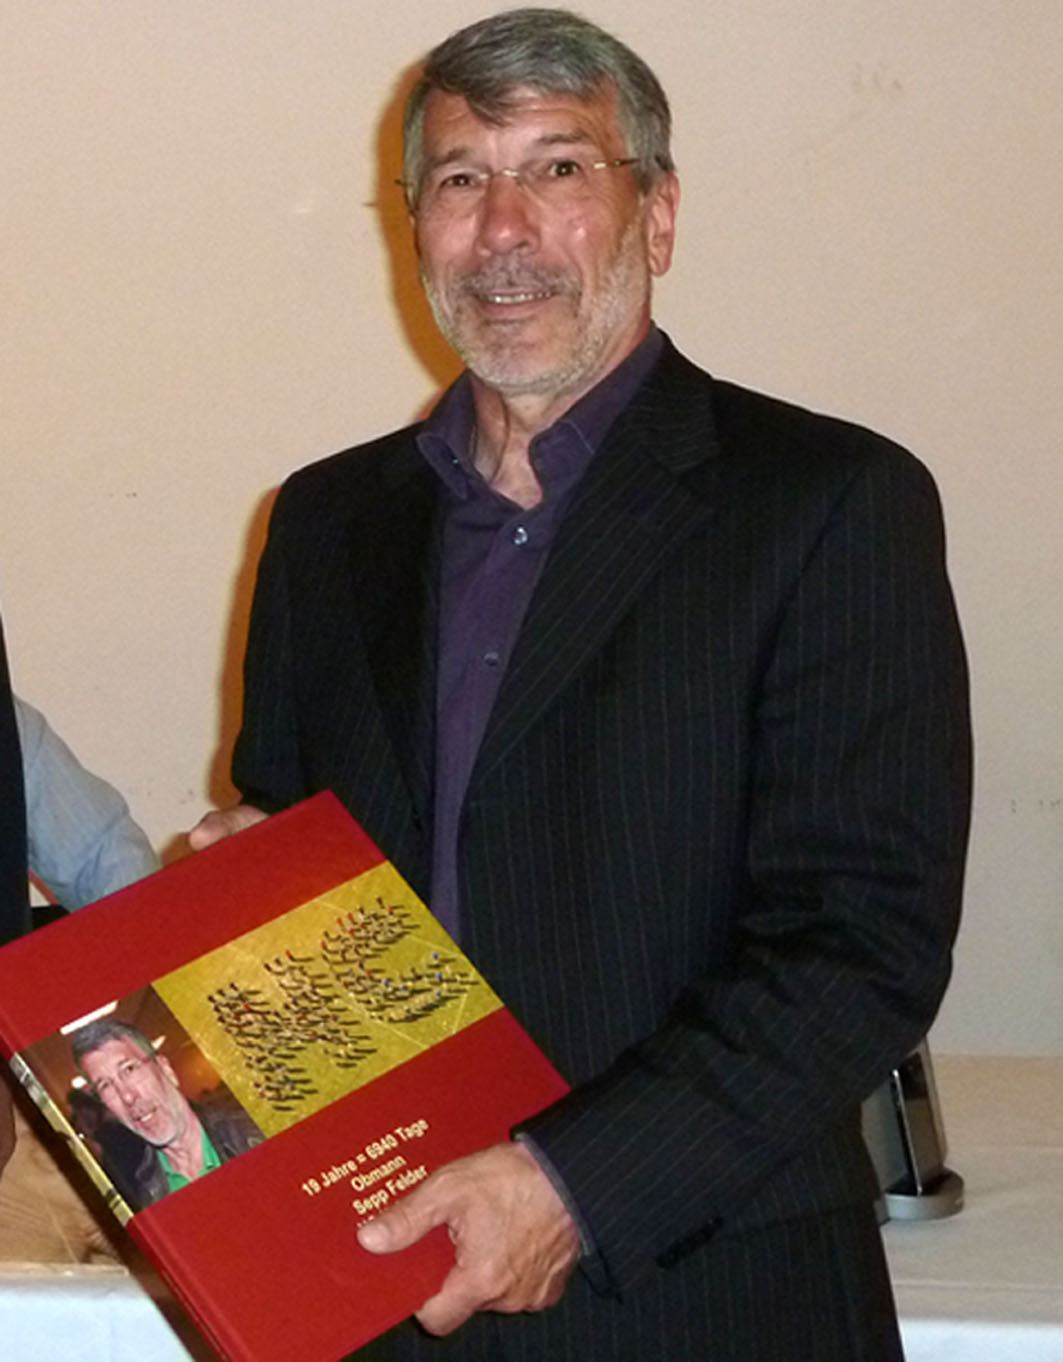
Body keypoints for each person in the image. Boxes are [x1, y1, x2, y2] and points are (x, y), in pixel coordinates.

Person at [192, 9, 972, 1358]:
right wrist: (245, 903)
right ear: (415, 232)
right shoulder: (321, 522)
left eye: (558, 168)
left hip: (701, 1293)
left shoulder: (829, 503)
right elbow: (298, 862)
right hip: (383, 1289)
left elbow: (859, 944)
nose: (503, 229)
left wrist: (568, 1185)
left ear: (655, 216)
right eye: (459, 179)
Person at [71, 1018, 263, 1211]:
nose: (127, 1096)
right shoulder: (146, 1200)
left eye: (129, 1069)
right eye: (106, 1086)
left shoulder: (256, 1130)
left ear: (165, 1069)